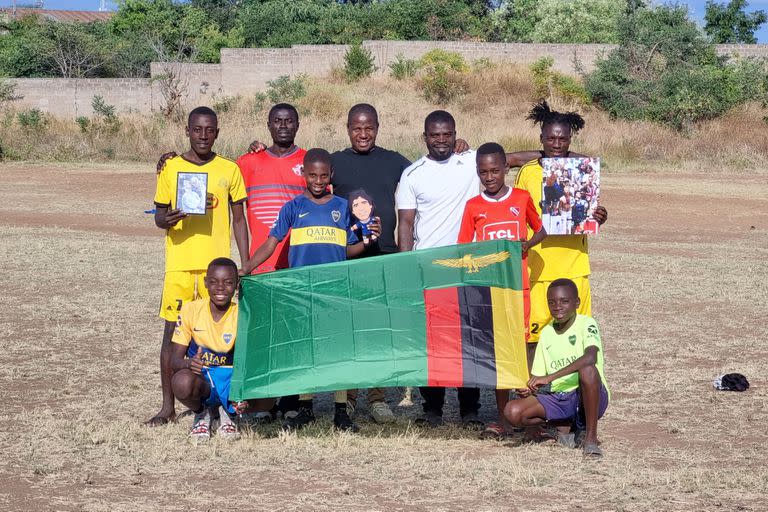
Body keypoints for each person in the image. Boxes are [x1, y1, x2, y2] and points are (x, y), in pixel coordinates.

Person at [241, 148, 380, 433]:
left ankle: (341, 411)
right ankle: (306, 408)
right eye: (313, 175)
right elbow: (271, 243)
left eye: (324, 175)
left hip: (334, 291)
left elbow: (347, 249)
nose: (318, 180)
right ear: (303, 174)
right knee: (307, 348)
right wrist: (247, 267)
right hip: (303, 292)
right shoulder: (292, 207)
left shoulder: (342, 207)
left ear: (331, 175)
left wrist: (367, 243)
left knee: (337, 348)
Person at [146, 106, 249, 427]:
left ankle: (220, 398)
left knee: (219, 338)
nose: (203, 135)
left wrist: (245, 265)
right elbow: (160, 217)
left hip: (215, 272)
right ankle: (167, 408)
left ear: (217, 132)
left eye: (209, 130)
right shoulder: (171, 168)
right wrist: (173, 216)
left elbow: (238, 219)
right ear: (187, 131)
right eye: (197, 129)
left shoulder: (228, 169)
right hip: (179, 266)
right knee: (171, 338)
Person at [396, 110, 483, 428]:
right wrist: (407, 267)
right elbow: (405, 224)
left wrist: (548, 153)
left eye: (448, 134)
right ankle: (432, 408)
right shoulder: (412, 174)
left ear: (456, 133)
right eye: (435, 135)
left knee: (467, 340)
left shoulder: (471, 161)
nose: (442, 140)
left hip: (467, 267)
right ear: (425, 137)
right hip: (428, 268)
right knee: (431, 341)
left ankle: (470, 410)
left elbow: (508, 159)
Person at [456, 142, 547, 439]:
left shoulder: (520, 199)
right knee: (498, 353)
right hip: (490, 292)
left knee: (519, 351)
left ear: (506, 169)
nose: (490, 177)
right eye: (483, 172)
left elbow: (541, 229)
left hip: (517, 289)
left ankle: (526, 417)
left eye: (495, 170)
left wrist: (528, 245)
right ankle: (502, 417)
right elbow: (464, 250)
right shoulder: (473, 206)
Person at [509, 101, 608, 358]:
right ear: (541, 139)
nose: (556, 144)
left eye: (562, 139)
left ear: (570, 140)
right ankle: (533, 388)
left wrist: (599, 215)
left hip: (574, 263)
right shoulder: (528, 172)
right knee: (534, 333)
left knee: (578, 331)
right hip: (538, 265)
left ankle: (575, 390)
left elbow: (588, 210)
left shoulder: (583, 171)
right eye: (551, 138)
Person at [170, 257, 276, 442]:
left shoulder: (243, 313)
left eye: (228, 282)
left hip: (232, 379)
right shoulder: (190, 310)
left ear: (237, 284)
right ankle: (202, 414)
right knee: (181, 382)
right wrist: (189, 363)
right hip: (204, 379)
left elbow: (255, 360)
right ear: (205, 283)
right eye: (213, 282)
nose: (220, 288)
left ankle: (230, 412)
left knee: (268, 399)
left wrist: (244, 392)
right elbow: (174, 360)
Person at [503, 278, 609, 457]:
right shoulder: (546, 333)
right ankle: (565, 426)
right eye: (551, 302)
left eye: (564, 301)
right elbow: (538, 376)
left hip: (586, 395)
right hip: (559, 396)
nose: (557, 306)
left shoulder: (587, 323)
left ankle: (590, 438)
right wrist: (529, 389)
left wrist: (550, 377)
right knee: (512, 411)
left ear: (577, 303)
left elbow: (590, 357)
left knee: (588, 370)